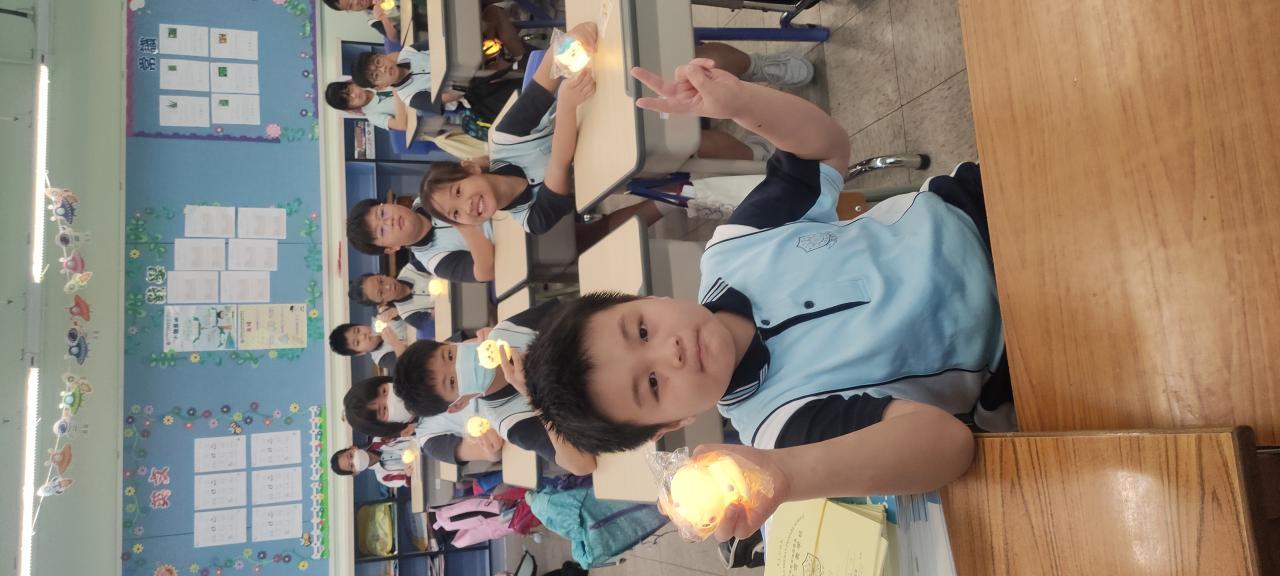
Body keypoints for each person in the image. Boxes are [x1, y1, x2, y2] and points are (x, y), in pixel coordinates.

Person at [523, 58, 1009, 541]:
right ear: (672, 424)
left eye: (643, 330)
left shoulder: (735, 248)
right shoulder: (780, 428)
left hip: (976, 202)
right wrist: (784, 475)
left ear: (649, 298)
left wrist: (744, 103)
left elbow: (823, 151)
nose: (670, 352)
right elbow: (949, 445)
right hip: (1012, 347)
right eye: (652, 383)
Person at [418, 23, 812, 254]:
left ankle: (759, 66)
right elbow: (559, 169)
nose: (467, 206)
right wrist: (566, 105)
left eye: (458, 192)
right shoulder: (531, 221)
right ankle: (759, 151)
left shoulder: (505, 138)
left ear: (468, 168)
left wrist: (573, 42)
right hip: (622, 162)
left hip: (609, 102)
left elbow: (547, 74)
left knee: (685, 64)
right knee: (680, 145)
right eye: (457, 215)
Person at [394, 303, 597, 475]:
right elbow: (582, 465)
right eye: (452, 382)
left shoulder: (507, 332)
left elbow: (575, 309)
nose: (461, 364)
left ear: (451, 343)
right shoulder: (511, 420)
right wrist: (535, 398)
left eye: (449, 355)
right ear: (458, 405)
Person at [343, 375, 505, 466]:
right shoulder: (430, 441)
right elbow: (489, 455)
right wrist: (490, 447)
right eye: (384, 410)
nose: (391, 399)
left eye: (384, 391)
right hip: (508, 421)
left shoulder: (424, 367)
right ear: (387, 427)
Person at [346, 197, 495, 282]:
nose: (389, 221)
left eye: (382, 213)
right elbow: (486, 273)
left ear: (389, 204)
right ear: (391, 248)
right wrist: (464, 226)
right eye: (382, 231)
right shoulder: (434, 261)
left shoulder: (431, 195)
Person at [350, 264, 437, 327]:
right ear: (382, 303)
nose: (388, 286)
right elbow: (437, 324)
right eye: (381, 292)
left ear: (381, 275)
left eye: (381, 281)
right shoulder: (409, 314)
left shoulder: (411, 269)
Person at [330, 437, 420, 488]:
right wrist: (408, 475)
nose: (355, 460)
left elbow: (408, 433)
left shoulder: (379, 439)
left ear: (353, 448)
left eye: (350, 455)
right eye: (352, 465)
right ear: (355, 473)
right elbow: (409, 483)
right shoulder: (383, 478)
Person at [328, 318, 409, 371]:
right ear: (360, 353)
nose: (363, 336)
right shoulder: (382, 358)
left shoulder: (383, 318)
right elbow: (408, 362)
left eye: (358, 330)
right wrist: (394, 342)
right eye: (357, 342)